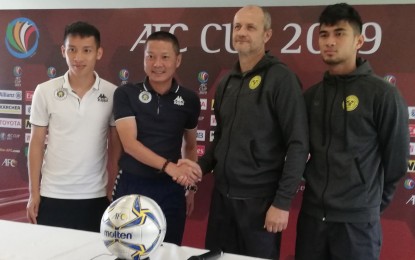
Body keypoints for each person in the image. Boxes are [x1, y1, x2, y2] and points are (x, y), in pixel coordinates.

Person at [295, 3, 409, 260]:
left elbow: (396, 164)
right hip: (313, 219)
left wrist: (366, 206)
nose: (330, 41)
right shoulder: (312, 97)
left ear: (359, 40)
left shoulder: (383, 94)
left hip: (357, 226)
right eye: (324, 34)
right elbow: (297, 151)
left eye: (339, 33)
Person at [196, 5, 309, 259]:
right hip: (222, 200)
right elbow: (221, 137)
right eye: (237, 27)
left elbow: (298, 144)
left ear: (266, 35)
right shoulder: (226, 81)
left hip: (260, 203)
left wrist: (281, 202)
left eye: (250, 27)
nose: (241, 33)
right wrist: (199, 167)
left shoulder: (282, 79)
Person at [26, 21, 122, 232]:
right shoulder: (45, 91)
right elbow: (36, 144)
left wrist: (112, 187)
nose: (78, 58)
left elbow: (116, 147)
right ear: (63, 51)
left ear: (99, 53)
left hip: (95, 196)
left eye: (86, 50)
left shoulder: (114, 93)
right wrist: (34, 193)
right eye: (72, 50)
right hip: (52, 194)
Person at [112, 31, 202, 245]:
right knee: (127, 251)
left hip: (171, 189)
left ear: (177, 60)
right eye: (150, 56)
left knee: (169, 250)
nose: (157, 64)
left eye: (165, 57)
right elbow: (130, 145)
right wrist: (170, 167)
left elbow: (190, 147)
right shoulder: (126, 94)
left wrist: (190, 187)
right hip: (132, 184)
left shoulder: (189, 99)